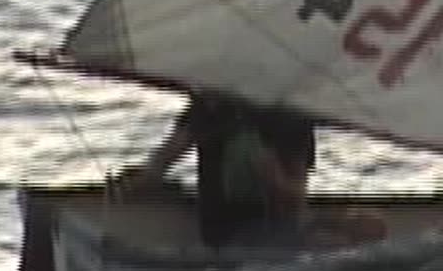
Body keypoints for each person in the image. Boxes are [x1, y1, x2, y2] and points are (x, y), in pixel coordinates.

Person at [133, 93, 316, 248]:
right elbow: (164, 158)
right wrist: (140, 181)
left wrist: (273, 178)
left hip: (269, 234)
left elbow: (297, 197)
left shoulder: (291, 115)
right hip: (221, 232)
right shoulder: (212, 104)